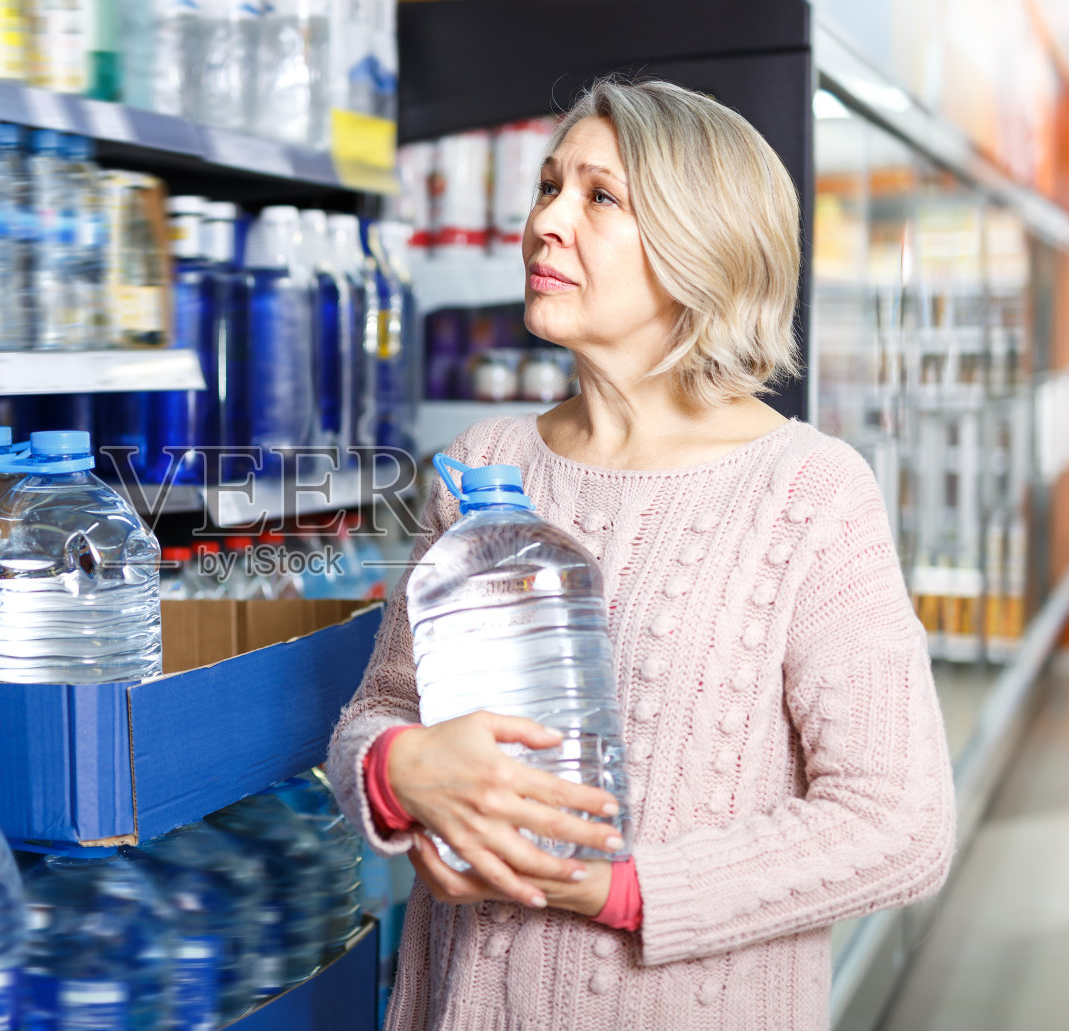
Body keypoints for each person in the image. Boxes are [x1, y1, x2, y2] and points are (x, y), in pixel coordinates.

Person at [328, 76, 955, 1030]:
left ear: (702, 243)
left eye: (600, 197)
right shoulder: (481, 465)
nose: (546, 222)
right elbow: (378, 709)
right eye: (549, 187)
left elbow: (899, 821)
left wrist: (621, 889)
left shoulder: (809, 492)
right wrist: (397, 771)